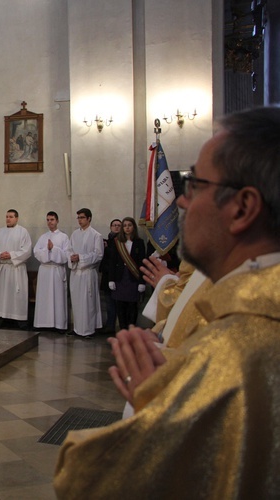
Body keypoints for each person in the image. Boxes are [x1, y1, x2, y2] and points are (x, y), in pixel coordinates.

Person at [55, 106, 280, 498]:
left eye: (195, 186)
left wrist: (156, 399)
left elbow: (89, 481)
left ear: (243, 207)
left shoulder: (237, 349)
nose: (179, 203)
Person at [0, 209, 33, 329]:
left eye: (11, 217)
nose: (8, 219)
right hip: (2, 268)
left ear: (16, 218)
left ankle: (20, 321)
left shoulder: (23, 232)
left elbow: (27, 250)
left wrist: (11, 255)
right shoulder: (0, 231)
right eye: (7, 216)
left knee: (17, 296)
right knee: (0, 295)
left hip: (15, 268)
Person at [67, 208, 104, 337]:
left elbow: (98, 255)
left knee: (88, 302)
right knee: (76, 302)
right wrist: (71, 257)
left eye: (82, 217)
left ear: (89, 218)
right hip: (76, 272)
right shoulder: (74, 234)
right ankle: (77, 328)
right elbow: (69, 250)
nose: (80, 220)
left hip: (88, 273)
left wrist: (81, 258)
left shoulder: (96, 235)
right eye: (78, 218)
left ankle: (88, 329)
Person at [32, 211, 70, 331]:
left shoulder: (64, 237)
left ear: (57, 221)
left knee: (58, 298)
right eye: (48, 220)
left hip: (56, 270)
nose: (50, 222)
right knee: (44, 298)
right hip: (45, 270)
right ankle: (43, 324)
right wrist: (47, 251)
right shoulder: (43, 237)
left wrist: (53, 249)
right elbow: (36, 252)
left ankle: (59, 325)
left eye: (52, 219)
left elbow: (66, 255)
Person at [106, 216, 146, 329]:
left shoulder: (139, 242)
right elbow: (112, 262)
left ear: (133, 227)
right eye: (125, 226)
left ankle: (132, 330)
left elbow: (142, 263)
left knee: (132, 306)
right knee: (120, 306)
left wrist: (142, 282)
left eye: (129, 225)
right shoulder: (117, 242)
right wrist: (111, 279)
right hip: (120, 278)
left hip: (133, 278)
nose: (127, 228)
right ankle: (123, 330)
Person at [100, 219, 122, 332]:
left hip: (118, 276)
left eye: (119, 225)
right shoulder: (106, 241)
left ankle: (120, 326)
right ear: (110, 227)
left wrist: (107, 248)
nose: (116, 227)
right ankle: (109, 325)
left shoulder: (121, 242)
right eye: (114, 225)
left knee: (118, 303)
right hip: (107, 275)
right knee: (109, 303)